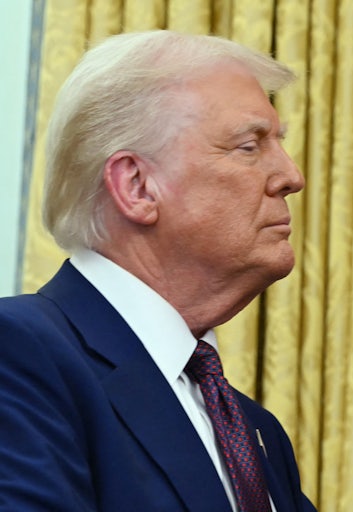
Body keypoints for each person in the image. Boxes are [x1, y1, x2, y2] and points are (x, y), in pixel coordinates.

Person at [0, 31, 315, 512]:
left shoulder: (257, 432)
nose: (292, 176)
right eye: (249, 146)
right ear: (138, 186)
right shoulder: (18, 355)